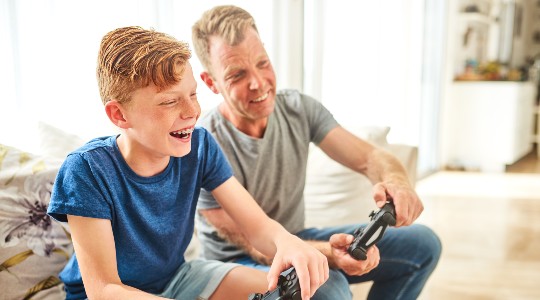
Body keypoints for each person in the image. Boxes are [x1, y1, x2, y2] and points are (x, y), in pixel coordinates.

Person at [46, 26, 329, 300]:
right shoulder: (86, 170)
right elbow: (105, 290)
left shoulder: (200, 145)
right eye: (170, 101)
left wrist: (287, 241)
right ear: (119, 115)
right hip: (115, 294)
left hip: (178, 277)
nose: (193, 111)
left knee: (297, 294)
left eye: (193, 94)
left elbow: (257, 227)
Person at [191, 5, 442, 300]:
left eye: (262, 63)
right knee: (330, 288)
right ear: (211, 83)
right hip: (238, 261)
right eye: (237, 75)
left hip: (297, 237)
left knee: (423, 245)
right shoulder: (203, 144)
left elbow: (371, 157)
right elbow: (256, 243)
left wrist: (397, 183)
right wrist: (328, 255)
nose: (258, 82)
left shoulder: (298, 109)